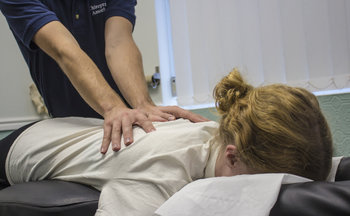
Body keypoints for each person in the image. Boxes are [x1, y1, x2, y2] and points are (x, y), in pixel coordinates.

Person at [0, 69, 333, 215]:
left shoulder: (226, 133)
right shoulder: (163, 170)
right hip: (19, 151)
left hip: (70, 129)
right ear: (231, 157)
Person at [0, 0, 207, 154]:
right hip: (72, 127)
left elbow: (118, 41)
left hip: (129, 116)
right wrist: (112, 108)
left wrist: (143, 104)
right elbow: (64, 50)